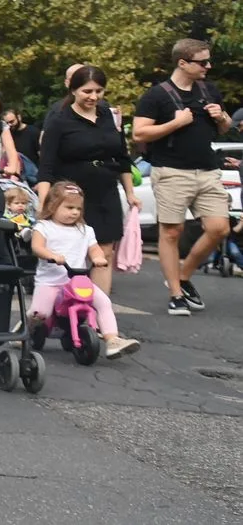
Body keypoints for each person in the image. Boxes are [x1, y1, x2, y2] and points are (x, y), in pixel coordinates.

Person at [132, 38, 233, 316]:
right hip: (171, 171)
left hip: (208, 170)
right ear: (182, 63)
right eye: (203, 62)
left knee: (219, 228)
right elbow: (139, 133)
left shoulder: (209, 91)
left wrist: (222, 117)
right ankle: (175, 294)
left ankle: (183, 275)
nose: (208, 66)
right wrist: (175, 123)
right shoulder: (157, 95)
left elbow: (224, 128)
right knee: (172, 232)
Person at [36, 65, 139, 296]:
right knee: (75, 252)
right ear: (73, 90)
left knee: (104, 253)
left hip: (106, 190)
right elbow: (46, 167)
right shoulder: (59, 120)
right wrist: (45, 203)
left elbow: (123, 158)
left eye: (99, 91)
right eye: (87, 91)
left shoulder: (109, 117)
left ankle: (98, 313)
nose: (93, 97)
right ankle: (66, 304)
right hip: (72, 194)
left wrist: (130, 193)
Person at [29, 182, 141, 358]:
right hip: (50, 282)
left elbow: (94, 248)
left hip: (76, 282)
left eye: (78, 208)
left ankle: (112, 340)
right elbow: (37, 247)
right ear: (52, 206)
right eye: (69, 207)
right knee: (41, 313)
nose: (74, 212)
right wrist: (50, 254)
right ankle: (25, 330)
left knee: (103, 302)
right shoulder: (44, 227)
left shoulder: (86, 230)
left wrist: (98, 257)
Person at [3, 109, 40, 180]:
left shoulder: (33, 132)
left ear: (19, 117)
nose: (9, 125)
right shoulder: (7, 134)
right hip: (15, 175)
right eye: (6, 123)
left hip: (33, 174)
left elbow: (42, 156)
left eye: (11, 121)